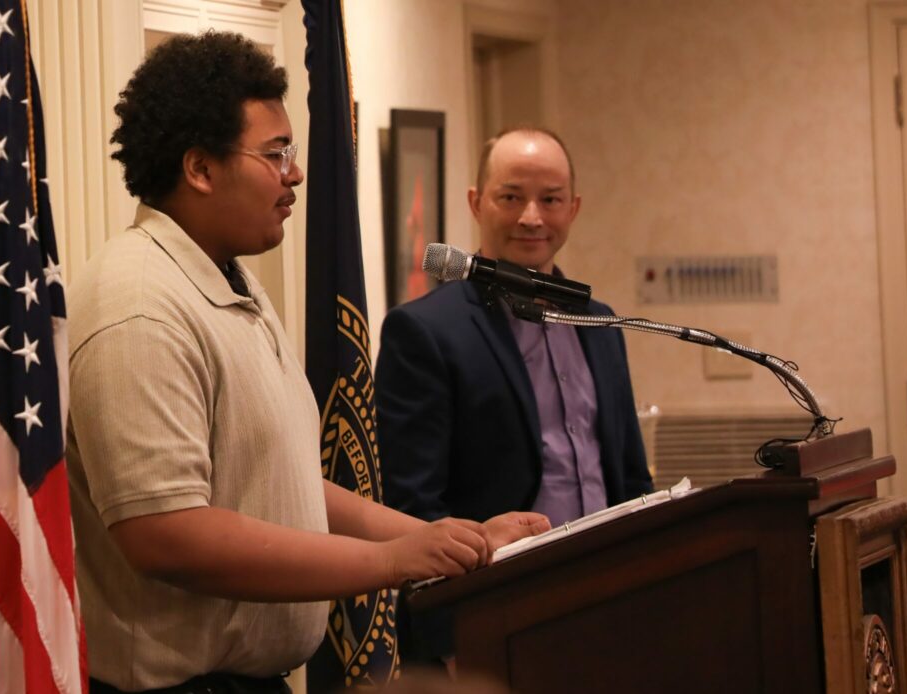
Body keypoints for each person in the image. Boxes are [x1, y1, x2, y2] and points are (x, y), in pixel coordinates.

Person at [66, 33, 549, 694]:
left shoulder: (228, 281)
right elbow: (165, 533)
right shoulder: (140, 304)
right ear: (201, 169)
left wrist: (440, 540)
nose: (294, 173)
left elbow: (282, 482)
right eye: (275, 154)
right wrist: (387, 562)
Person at [376, 126, 653, 531]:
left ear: (572, 209)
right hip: (499, 584)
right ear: (476, 203)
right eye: (511, 197)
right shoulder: (423, 332)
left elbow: (631, 479)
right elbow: (412, 504)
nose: (531, 217)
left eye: (550, 199)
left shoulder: (601, 323)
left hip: (607, 575)